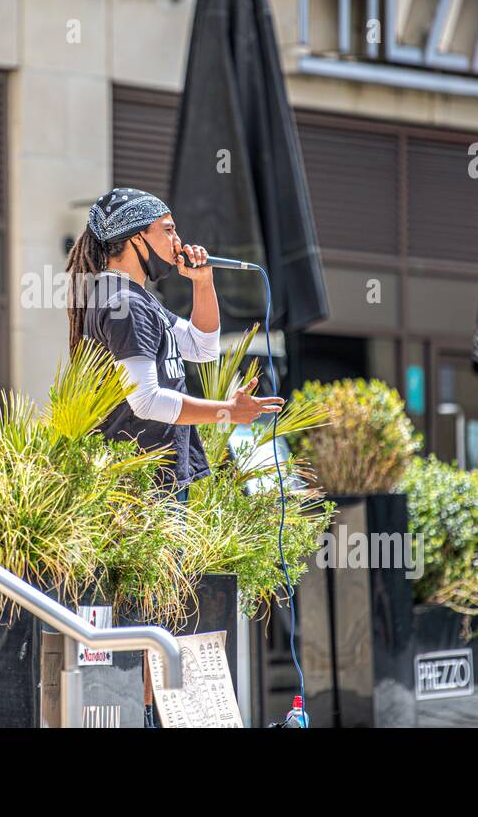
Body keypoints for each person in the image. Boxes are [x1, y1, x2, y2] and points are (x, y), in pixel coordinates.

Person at [65, 187, 284, 728]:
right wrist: (227, 414)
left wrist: (203, 284)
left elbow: (205, 346)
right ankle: (141, 717)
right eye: (167, 229)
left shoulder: (139, 299)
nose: (177, 239)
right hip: (136, 485)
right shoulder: (119, 300)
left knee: (157, 612)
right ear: (135, 239)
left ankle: (148, 715)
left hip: (157, 480)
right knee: (145, 615)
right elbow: (147, 400)